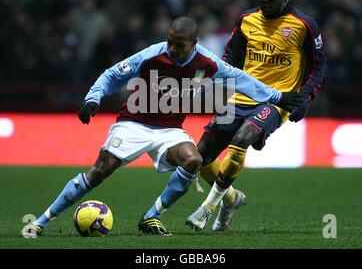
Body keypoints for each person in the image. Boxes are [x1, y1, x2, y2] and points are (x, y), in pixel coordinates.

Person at [30, 16, 303, 236]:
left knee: (193, 159)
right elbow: (114, 74)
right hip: (133, 123)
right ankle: (41, 221)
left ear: (194, 43)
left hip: (170, 129)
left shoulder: (207, 62)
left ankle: (151, 218)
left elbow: (242, 80)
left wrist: (278, 97)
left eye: (179, 44)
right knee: (100, 170)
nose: (171, 48)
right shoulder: (152, 55)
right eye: (170, 42)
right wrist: (94, 98)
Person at [185, 0, 327, 232]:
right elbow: (231, 58)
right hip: (241, 96)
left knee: (242, 140)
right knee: (200, 156)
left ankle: (207, 207)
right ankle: (230, 199)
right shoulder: (247, 20)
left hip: (277, 101)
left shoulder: (304, 25)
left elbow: (318, 66)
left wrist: (305, 97)